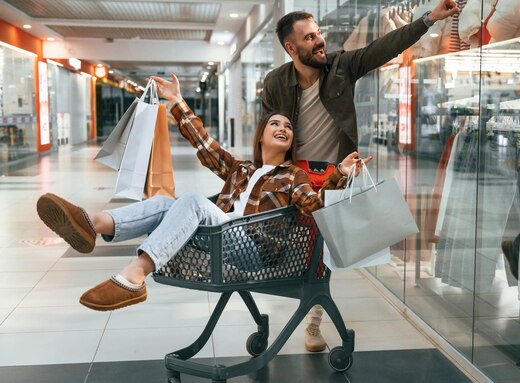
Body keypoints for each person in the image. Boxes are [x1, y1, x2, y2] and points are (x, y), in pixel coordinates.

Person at [36, 73, 371, 312]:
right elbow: (205, 146)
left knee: (193, 201)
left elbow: (317, 206)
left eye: (287, 126)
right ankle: (92, 223)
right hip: (219, 235)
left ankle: (135, 274)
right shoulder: (242, 169)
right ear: (261, 136)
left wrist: (339, 175)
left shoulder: (292, 175)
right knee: (168, 202)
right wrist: (178, 102)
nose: (283, 128)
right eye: (275, 124)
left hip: (252, 248)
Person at [262, 0, 460, 352]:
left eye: (319, 33)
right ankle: (302, 305)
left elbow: (382, 48)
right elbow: (270, 132)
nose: (319, 41)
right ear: (291, 48)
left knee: (323, 253)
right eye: (309, 38)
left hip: (336, 177)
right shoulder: (276, 82)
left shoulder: (341, 66)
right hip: (296, 178)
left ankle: (313, 323)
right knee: (295, 249)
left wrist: (428, 18)